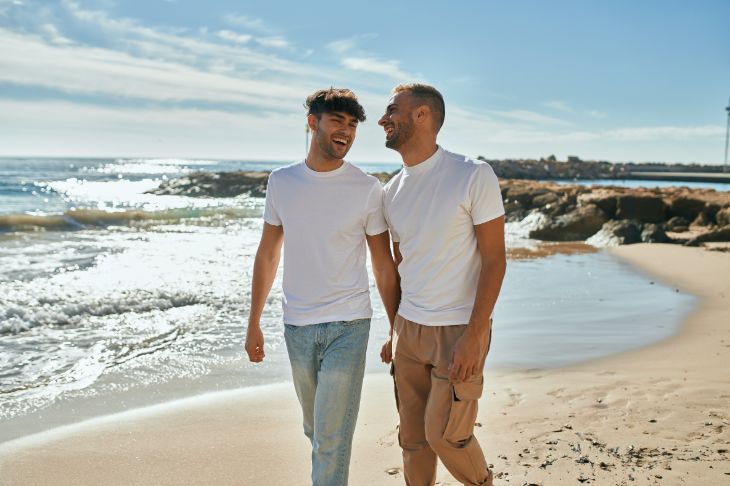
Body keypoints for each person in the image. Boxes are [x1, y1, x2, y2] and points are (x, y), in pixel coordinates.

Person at [245, 88, 399, 486]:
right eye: (337, 121)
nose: (346, 132)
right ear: (313, 123)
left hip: (349, 325)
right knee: (317, 431)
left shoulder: (367, 188)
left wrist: (395, 326)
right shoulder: (282, 182)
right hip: (296, 325)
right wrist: (254, 322)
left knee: (331, 439)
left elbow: (383, 264)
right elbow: (267, 255)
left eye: (352, 125)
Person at [378, 83, 506, 486]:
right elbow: (402, 264)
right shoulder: (390, 191)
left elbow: (495, 259)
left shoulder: (472, 174)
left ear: (422, 115)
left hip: (458, 330)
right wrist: (393, 331)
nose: (383, 119)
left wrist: (476, 333)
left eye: (391, 110)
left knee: (447, 437)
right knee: (413, 441)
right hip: (409, 332)